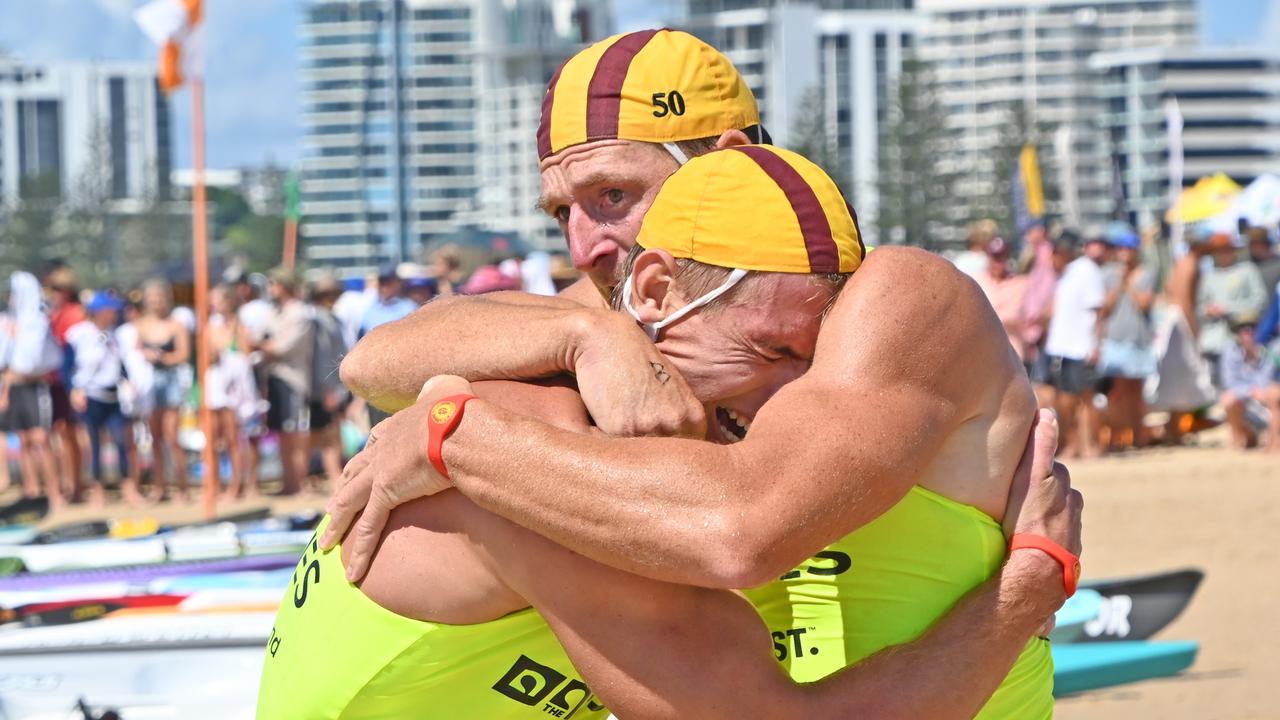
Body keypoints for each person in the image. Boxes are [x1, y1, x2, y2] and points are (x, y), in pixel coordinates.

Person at [265, 145, 1077, 720]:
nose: (590, 243)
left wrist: (448, 433)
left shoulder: (871, 305)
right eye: (773, 351)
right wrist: (1032, 581)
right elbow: (740, 540)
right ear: (655, 292)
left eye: (616, 196)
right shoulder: (555, 450)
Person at [66, 292, 140, 507]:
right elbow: (67, 366)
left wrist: (127, 380)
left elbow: (119, 364)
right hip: (90, 397)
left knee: (120, 441)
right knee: (94, 444)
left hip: (113, 396)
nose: (114, 314)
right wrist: (74, 389)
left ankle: (128, 486)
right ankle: (97, 488)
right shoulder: (78, 334)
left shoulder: (115, 335)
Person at [1044, 231, 1108, 458]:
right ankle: (1074, 444)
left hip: (1081, 346)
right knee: (1066, 400)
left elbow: (1099, 310)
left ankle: (1091, 444)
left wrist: (1095, 345)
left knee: (1086, 399)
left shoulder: (1086, 270)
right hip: (1063, 347)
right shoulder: (1067, 273)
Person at [2, 272, 64, 507]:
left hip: (35, 386)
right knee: (24, 440)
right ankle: (32, 490)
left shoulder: (37, 321)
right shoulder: (11, 321)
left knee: (41, 438)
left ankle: (54, 491)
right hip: (16, 387)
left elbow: (40, 360)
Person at [1097, 223, 1156, 450]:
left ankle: (1140, 437)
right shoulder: (1108, 275)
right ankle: (1117, 437)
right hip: (1115, 339)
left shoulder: (1146, 273)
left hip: (1138, 339)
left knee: (1137, 393)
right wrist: (1119, 283)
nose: (1125, 252)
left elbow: (1144, 303)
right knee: (1116, 392)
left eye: (1129, 248)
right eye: (1121, 248)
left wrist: (1129, 284)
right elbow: (1105, 308)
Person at [134, 279, 192, 502]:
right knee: (154, 438)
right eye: (153, 298)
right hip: (150, 382)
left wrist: (164, 358)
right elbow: (135, 352)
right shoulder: (141, 325)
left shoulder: (176, 324)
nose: (157, 302)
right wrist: (147, 356)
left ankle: (183, 486)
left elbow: (184, 354)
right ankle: (160, 486)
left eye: (160, 297)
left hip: (171, 381)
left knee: (172, 436)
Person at [260, 267, 314, 496]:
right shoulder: (276, 312)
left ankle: (299, 482)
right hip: (276, 378)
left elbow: (281, 347)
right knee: (282, 434)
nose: (271, 288)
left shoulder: (300, 313)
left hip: (293, 380)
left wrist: (260, 346)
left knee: (296, 434)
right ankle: (289, 482)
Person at [206, 284, 259, 499]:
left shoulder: (240, 325)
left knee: (235, 437)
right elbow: (208, 356)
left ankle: (238, 483)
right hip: (217, 386)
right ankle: (219, 484)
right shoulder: (210, 327)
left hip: (237, 389)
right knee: (217, 438)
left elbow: (245, 353)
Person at [1197, 232, 1268, 381]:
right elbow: (1199, 308)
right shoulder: (1209, 277)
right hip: (1214, 340)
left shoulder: (1246, 270)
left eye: (1226, 250)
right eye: (1218, 251)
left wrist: (1228, 309)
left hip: (1242, 337)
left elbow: (1260, 301)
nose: (1222, 254)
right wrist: (1208, 311)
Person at [43, 266, 85, 502]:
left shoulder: (74, 314)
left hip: (69, 381)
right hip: (53, 381)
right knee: (60, 433)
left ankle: (76, 483)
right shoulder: (53, 314)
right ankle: (67, 483)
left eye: (57, 289)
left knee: (71, 433)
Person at [307, 275, 349, 487]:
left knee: (328, 432)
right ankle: (332, 474)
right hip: (326, 387)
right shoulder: (321, 321)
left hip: (333, 385)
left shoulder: (332, 319)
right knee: (326, 433)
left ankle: (328, 473)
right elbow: (323, 356)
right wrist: (328, 388)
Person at [1217, 313, 1280, 451]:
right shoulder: (1230, 352)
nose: (1249, 332)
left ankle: (1274, 442)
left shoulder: (1272, 350)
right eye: (1244, 329)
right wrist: (1251, 391)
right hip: (1247, 403)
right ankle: (1242, 437)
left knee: (1274, 394)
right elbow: (1229, 383)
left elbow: (1270, 381)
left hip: (1267, 403)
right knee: (1228, 398)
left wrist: (1260, 392)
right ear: (1238, 334)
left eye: (1253, 327)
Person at [975, 236, 1030, 359]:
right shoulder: (978, 279)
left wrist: (985, 313)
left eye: (1001, 257)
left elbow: (1014, 315)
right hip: (982, 350)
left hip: (1010, 352)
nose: (997, 263)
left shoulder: (1020, 283)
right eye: (994, 257)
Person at [1247, 225, 1280, 311]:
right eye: (1252, 244)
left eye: (1258, 244)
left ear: (1267, 244)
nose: (1255, 248)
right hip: (1254, 315)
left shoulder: (1277, 264)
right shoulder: (1247, 266)